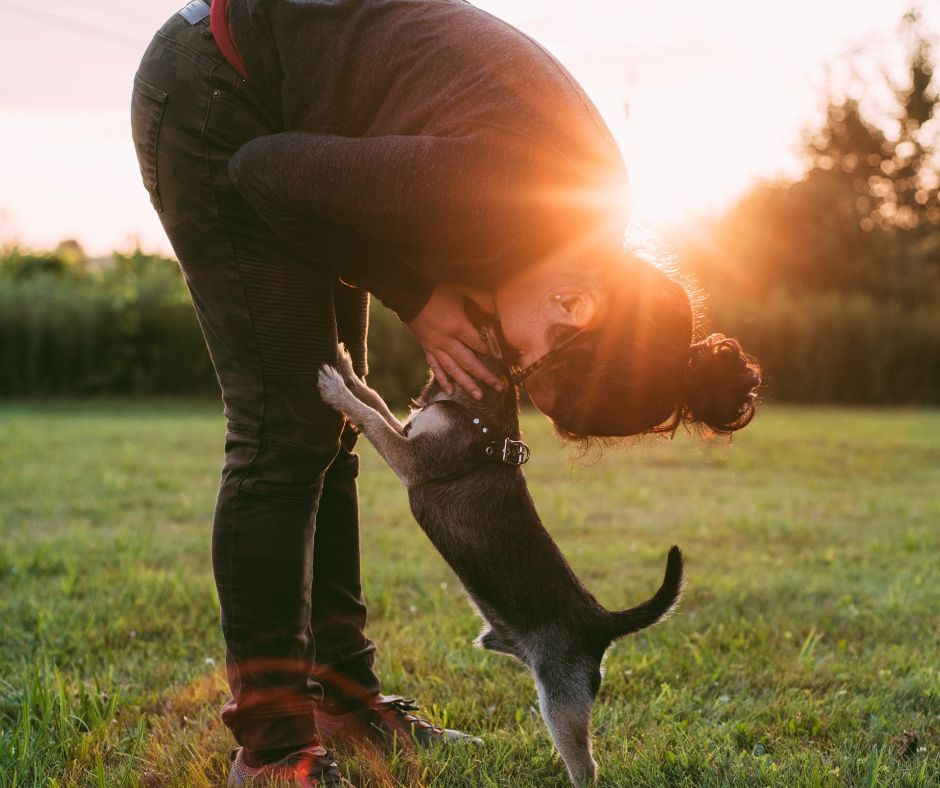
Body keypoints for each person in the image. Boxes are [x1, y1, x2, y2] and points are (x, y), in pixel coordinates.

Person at [131, 0, 761, 784]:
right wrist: (416, 293)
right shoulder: (498, 193)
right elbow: (263, 169)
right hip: (219, 91)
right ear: (575, 306)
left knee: (330, 429)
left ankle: (345, 701)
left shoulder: (583, 222)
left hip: (289, 115)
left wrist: (422, 287)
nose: (511, 371)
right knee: (286, 424)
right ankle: (273, 750)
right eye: (532, 368)